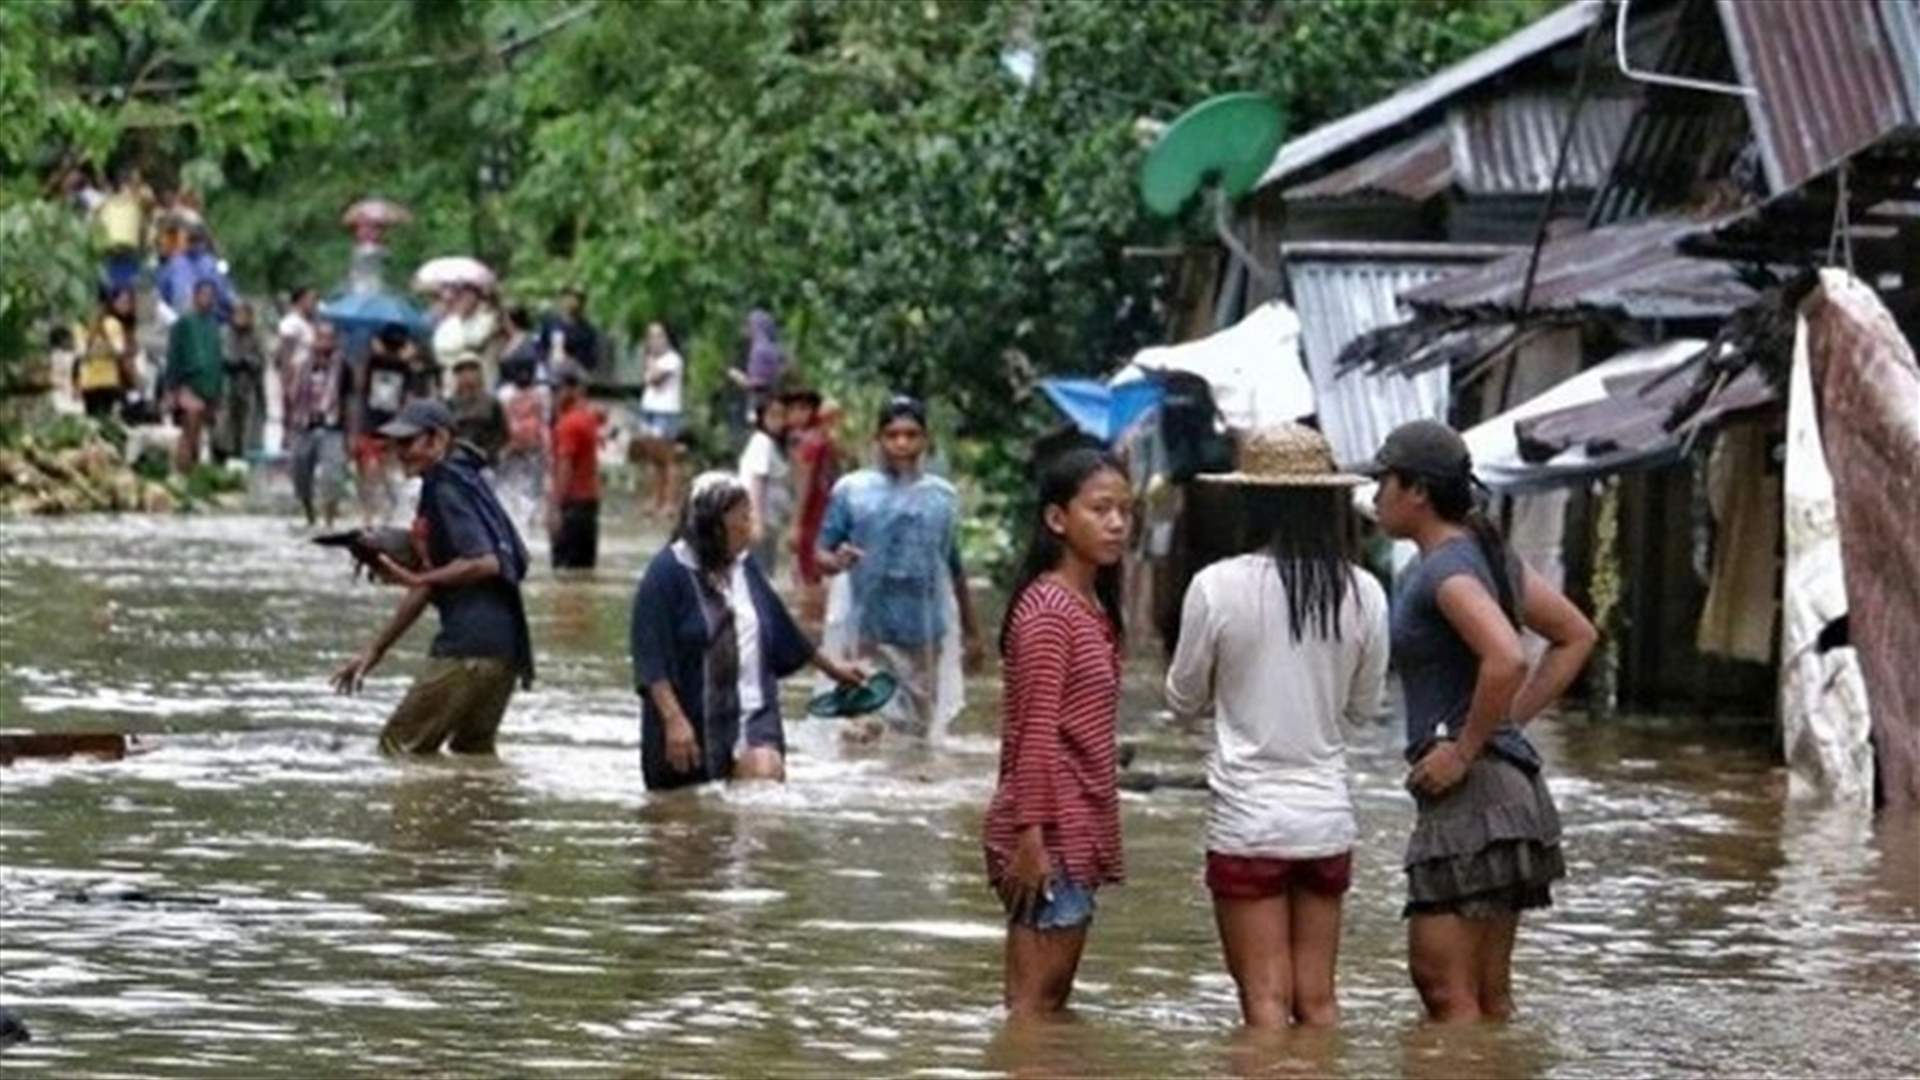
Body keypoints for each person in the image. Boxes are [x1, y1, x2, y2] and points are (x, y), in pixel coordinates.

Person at [1359, 419, 1597, 1024]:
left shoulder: (1442, 570)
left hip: (1473, 796)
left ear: (1416, 491)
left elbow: (1507, 656)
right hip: (1509, 791)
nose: (1375, 494)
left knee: (1444, 990)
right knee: (1488, 998)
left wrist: (1466, 748)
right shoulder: (1489, 556)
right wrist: (1497, 726)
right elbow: (1575, 636)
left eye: (1382, 480)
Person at [1163, 424, 1391, 1028]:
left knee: (1264, 1004)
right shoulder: (1364, 592)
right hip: (1325, 818)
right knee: (1318, 1001)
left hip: (1249, 819)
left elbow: (1182, 701)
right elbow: (1364, 709)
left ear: (1252, 501)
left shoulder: (1216, 587)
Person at [981, 448, 1132, 1019]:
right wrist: (1030, 839)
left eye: (1124, 510)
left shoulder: (1089, 604)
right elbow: (1036, 733)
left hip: (1072, 824)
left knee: (1046, 1007)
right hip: (1047, 832)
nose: (1116, 523)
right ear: (1056, 519)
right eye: (1100, 509)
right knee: (1033, 1010)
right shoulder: (1049, 610)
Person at [629, 471, 866, 790]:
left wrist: (833, 669)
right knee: (684, 824)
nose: (750, 526)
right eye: (743, 517)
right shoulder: (666, 575)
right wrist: (673, 720)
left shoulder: (745, 567)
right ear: (714, 524)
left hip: (753, 712)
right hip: (689, 721)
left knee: (763, 789)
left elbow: (782, 628)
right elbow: (651, 658)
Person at [332, 399, 534, 755]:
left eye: (408, 442)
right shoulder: (465, 478)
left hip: (467, 648)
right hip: (505, 651)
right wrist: (374, 651)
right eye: (396, 445)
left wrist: (417, 579)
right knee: (473, 760)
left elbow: (484, 562)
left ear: (438, 439)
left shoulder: (445, 488)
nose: (400, 453)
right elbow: (429, 582)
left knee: (396, 750)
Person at [816, 395, 983, 737]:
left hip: (924, 632)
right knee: (866, 725)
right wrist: (837, 561)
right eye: (892, 435)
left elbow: (952, 565)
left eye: (911, 434)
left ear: (926, 439)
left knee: (917, 730)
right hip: (867, 629)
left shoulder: (943, 497)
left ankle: (907, 785)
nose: (902, 443)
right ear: (878, 439)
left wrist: (972, 631)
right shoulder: (852, 491)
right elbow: (820, 552)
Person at [287, 321, 350, 528]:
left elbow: (350, 400)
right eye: (320, 337)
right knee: (300, 473)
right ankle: (309, 515)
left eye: (328, 338)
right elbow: (291, 397)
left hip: (332, 427)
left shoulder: (344, 367)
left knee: (333, 475)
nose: (324, 342)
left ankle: (329, 520)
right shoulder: (302, 365)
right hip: (305, 425)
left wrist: (351, 433)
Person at [785, 388, 839, 628]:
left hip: (812, 517)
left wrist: (796, 523)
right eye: (793, 409)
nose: (797, 414)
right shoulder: (820, 440)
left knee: (808, 575)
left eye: (804, 409)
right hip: (821, 514)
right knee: (811, 573)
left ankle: (811, 628)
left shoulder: (811, 443)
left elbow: (804, 486)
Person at [352, 323, 415, 525]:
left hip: (386, 429)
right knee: (373, 474)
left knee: (380, 475)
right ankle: (372, 515)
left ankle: (379, 514)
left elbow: (408, 397)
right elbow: (360, 385)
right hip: (376, 427)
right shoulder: (377, 363)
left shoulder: (401, 367)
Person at [162, 280, 224, 474]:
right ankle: (184, 470)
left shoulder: (214, 325)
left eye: (211, 295)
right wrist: (172, 388)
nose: (208, 299)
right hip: (188, 384)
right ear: (195, 296)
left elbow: (217, 356)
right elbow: (173, 355)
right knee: (189, 429)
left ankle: (196, 470)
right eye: (204, 294)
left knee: (204, 432)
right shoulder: (183, 323)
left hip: (210, 385)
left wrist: (219, 390)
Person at [547, 369, 601, 570]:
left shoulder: (568, 425)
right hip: (589, 504)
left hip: (572, 505)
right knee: (583, 570)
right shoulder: (587, 418)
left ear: (572, 390)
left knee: (564, 572)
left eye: (557, 389)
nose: (553, 395)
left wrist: (555, 508)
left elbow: (565, 468)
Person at [636, 320, 686, 518]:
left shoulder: (673, 360)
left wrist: (650, 364)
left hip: (666, 411)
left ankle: (670, 502)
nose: (654, 341)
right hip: (649, 408)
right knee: (653, 458)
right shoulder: (652, 358)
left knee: (668, 458)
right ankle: (654, 499)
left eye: (659, 336)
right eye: (651, 336)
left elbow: (654, 379)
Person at [495, 351, 550, 526]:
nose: (524, 375)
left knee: (533, 487)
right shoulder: (504, 394)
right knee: (508, 485)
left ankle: (526, 520)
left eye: (528, 370)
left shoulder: (542, 392)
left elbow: (546, 419)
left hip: (534, 446)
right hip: (512, 446)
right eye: (520, 370)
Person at [738, 397, 791, 577]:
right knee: (758, 572)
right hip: (761, 518)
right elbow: (756, 482)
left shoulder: (773, 444)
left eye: (782, 416)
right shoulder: (762, 443)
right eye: (773, 415)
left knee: (765, 570)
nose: (779, 421)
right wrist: (757, 520)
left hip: (771, 519)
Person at [214, 300, 267, 462]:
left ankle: (242, 459)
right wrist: (233, 361)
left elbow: (261, 360)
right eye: (238, 314)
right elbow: (221, 356)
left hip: (249, 386)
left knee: (247, 429)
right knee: (223, 427)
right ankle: (221, 458)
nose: (241, 318)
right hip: (227, 386)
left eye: (245, 314)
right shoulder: (223, 332)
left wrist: (248, 361)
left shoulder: (256, 336)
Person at [78, 286, 138, 420]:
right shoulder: (84, 325)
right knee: (96, 420)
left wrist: (95, 351)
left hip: (106, 382)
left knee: (100, 420)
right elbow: (81, 353)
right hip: (91, 381)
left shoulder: (111, 324)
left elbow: (118, 351)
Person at [727, 308, 786, 445]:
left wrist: (738, 377)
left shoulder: (759, 351)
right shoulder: (775, 349)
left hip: (761, 406)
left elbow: (758, 385)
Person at [432, 283, 500, 388]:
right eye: (460, 296)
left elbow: (476, 340)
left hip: (483, 384)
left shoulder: (488, 319)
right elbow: (439, 351)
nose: (463, 300)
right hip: (453, 383)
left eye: (468, 295)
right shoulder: (448, 323)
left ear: (477, 297)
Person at [447, 358, 508, 464]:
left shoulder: (491, 402)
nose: (466, 375)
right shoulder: (449, 404)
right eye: (461, 371)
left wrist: (492, 451)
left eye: (471, 370)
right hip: (457, 460)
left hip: (487, 459)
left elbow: (502, 433)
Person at [536, 287, 600, 377]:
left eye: (577, 298)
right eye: (569, 297)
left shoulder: (587, 329)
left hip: (576, 374)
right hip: (550, 371)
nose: (572, 302)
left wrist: (574, 361)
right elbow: (540, 345)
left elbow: (592, 356)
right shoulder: (550, 322)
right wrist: (545, 359)